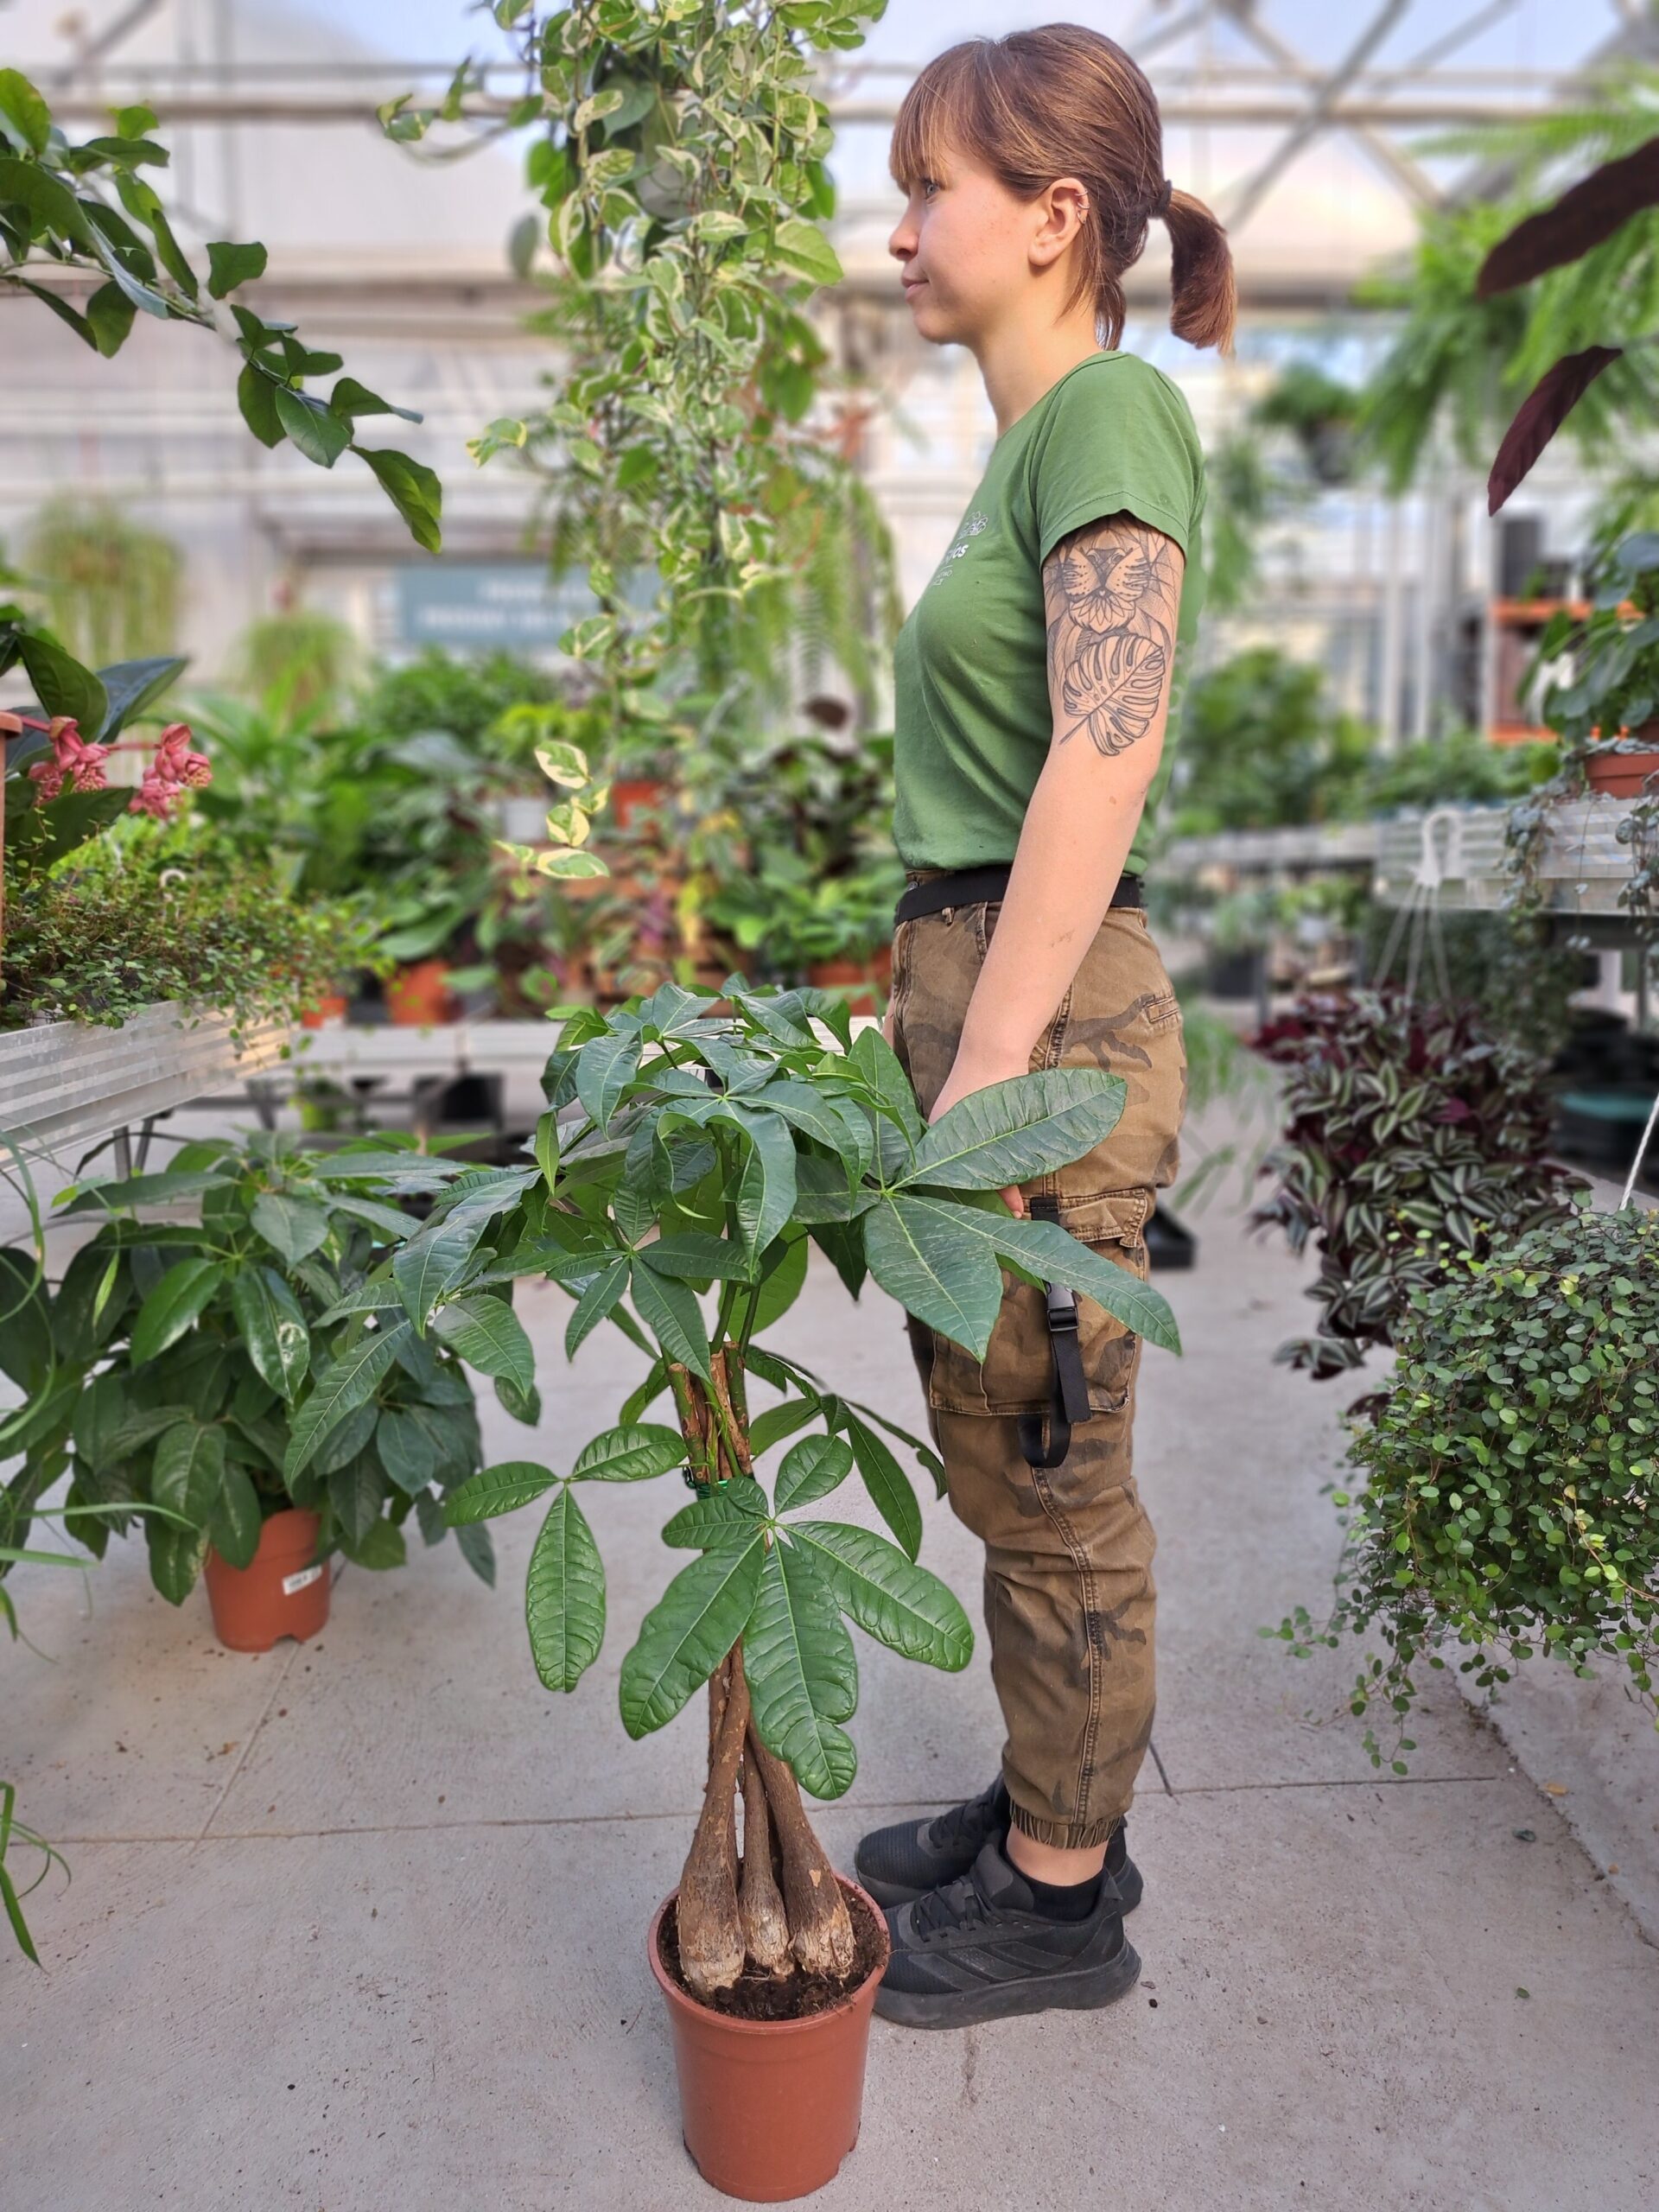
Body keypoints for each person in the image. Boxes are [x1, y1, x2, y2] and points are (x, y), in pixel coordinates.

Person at [854, 25, 1233, 2031]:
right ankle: (1043, 1806)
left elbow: (1106, 741)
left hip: (1042, 1020)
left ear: (1054, 214)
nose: (901, 231)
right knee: (1010, 1442)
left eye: (931, 189)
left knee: (1059, 1462)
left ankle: (1065, 1900)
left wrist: (989, 1066)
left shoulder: (1106, 412)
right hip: (989, 985)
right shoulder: (1035, 445)